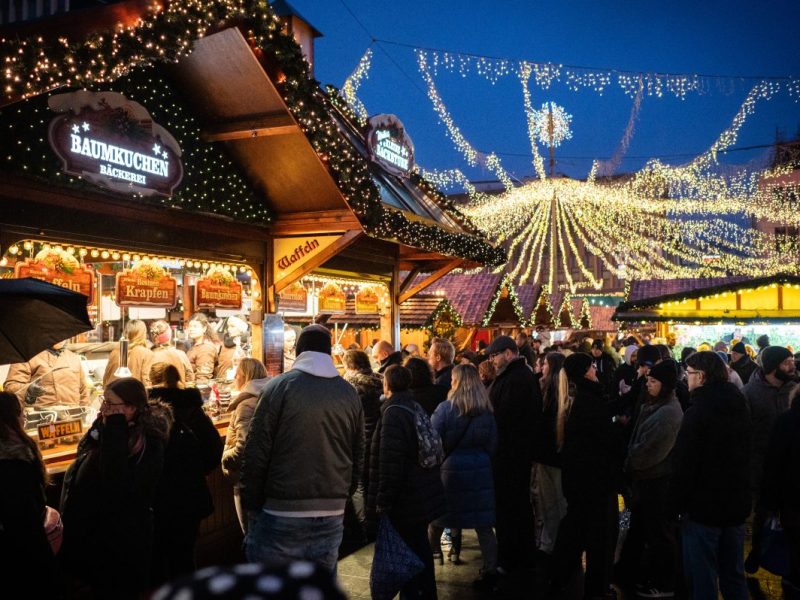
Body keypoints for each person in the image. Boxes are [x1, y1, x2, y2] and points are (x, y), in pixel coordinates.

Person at [241, 325, 364, 573]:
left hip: (282, 509)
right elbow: (358, 451)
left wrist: (251, 503)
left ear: (299, 351)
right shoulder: (348, 392)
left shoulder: (279, 387)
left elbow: (257, 449)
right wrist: (343, 494)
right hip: (332, 510)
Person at [60, 378, 170, 599]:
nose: (103, 408)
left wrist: (116, 426)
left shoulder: (148, 441)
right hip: (95, 534)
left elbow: (115, 481)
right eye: (104, 400)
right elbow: (84, 457)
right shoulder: (103, 428)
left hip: (125, 540)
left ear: (131, 407)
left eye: (110, 403)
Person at [672, 351, 751, 600]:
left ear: (702, 376)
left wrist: (677, 503)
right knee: (733, 574)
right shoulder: (739, 403)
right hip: (736, 504)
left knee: (703, 576)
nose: (687, 378)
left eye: (690, 373)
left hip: (704, 507)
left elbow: (686, 463)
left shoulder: (698, 412)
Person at [367, 365, 445, 599]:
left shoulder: (393, 413)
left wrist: (383, 501)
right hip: (420, 493)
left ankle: (416, 594)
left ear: (387, 385)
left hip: (405, 499)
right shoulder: (412, 406)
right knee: (418, 549)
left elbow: (391, 462)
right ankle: (424, 593)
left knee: (408, 554)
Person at [550, 353, 624, 600]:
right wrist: (620, 427)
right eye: (593, 367)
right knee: (599, 537)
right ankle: (597, 588)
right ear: (585, 371)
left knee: (575, 529)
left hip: (577, 479)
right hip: (595, 480)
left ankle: (559, 576)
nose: (596, 370)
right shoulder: (588, 400)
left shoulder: (575, 397)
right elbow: (606, 437)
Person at [148, 363, 224, 584]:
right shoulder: (193, 409)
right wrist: (196, 471)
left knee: (157, 561)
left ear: (152, 380)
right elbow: (213, 449)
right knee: (184, 558)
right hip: (189, 498)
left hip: (156, 499)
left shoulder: (147, 410)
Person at [616, 360, 683, 597]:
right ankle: (630, 573)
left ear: (664, 385)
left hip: (656, 482)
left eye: (653, 381)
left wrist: (628, 462)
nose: (648, 385)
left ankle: (665, 583)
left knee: (659, 534)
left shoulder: (668, 413)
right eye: (648, 380)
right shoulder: (654, 406)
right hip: (646, 481)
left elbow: (648, 452)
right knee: (642, 529)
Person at [429, 364, 498, 589]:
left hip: (450, 471)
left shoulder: (445, 409)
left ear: (456, 382)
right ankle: (490, 568)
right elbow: (493, 444)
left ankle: (432, 557)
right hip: (480, 470)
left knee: (439, 519)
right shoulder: (487, 410)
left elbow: (432, 439)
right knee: (484, 525)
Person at [486, 335, 540, 583]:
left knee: (511, 508)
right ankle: (519, 556)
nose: (492, 360)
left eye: (495, 355)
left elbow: (507, 418)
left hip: (511, 455)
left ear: (509, 353)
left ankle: (511, 559)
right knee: (515, 507)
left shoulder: (517, 379)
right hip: (512, 454)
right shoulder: (516, 376)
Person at [742, 345, 797, 573]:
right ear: (773, 367)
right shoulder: (750, 393)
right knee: (762, 513)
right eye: (786, 362)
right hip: (759, 465)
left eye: (792, 361)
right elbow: (743, 431)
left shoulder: (795, 389)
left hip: (791, 465)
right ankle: (759, 550)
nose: (791, 366)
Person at [0, 391, 58, 584]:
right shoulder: (18, 456)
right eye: (21, 412)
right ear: (13, 417)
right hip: (24, 546)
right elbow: (27, 513)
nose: (24, 416)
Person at [760, 385, 800, 597]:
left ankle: (792, 583)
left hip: (791, 499)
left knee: (793, 546)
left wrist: (769, 503)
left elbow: (774, 463)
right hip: (791, 498)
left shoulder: (786, 421)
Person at [222, 358, 269, 534]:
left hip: (247, 479)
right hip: (268, 476)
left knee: (250, 533)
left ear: (244, 376)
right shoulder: (270, 396)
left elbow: (244, 448)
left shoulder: (246, 405)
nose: (234, 377)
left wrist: (226, 457)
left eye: (237, 373)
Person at [342, 349, 383, 546]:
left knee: (358, 483)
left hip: (358, 439)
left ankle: (363, 525)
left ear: (352, 367)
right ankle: (375, 520)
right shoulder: (381, 380)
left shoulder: (350, 387)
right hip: (378, 436)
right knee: (372, 480)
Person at [531, 352, 567, 558]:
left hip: (549, 455)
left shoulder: (549, 393)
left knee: (552, 502)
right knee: (553, 501)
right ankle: (552, 541)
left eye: (544, 364)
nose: (541, 368)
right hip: (551, 455)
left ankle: (552, 542)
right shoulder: (551, 391)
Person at [5, 339, 90, 408]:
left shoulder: (73, 358)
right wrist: (27, 390)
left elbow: (83, 392)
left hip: (72, 419)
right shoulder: (26, 356)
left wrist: (85, 415)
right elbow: (10, 387)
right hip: (40, 419)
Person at [103, 319, 154, 387]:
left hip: (113, 395)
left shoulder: (115, 352)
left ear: (125, 332)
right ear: (143, 334)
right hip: (134, 396)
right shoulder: (147, 354)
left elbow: (105, 380)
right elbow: (146, 382)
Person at [150, 320, 195, 385]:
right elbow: (190, 378)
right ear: (169, 336)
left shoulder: (150, 356)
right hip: (180, 393)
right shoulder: (181, 354)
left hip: (158, 394)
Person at [186, 313, 219, 383]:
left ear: (204, 328)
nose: (191, 329)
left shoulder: (206, 348)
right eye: (190, 326)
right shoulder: (197, 346)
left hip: (199, 389)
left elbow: (203, 378)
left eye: (195, 326)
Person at [215, 315, 249, 380]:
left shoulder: (248, 346)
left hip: (241, 382)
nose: (229, 329)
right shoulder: (221, 345)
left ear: (241, 329)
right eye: (228, 326)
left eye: (232, 326)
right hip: (223, 382)